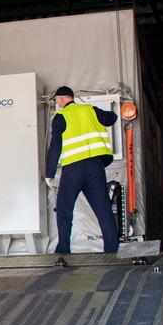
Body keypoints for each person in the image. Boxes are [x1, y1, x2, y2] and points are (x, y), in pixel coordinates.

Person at [44, 86, 119, 253]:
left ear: (63, 98)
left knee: (64, 210)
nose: (56, 102)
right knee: (103, 209)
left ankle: (63, 249)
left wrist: (49, 174)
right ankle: (112, 249)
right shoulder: (90, 109)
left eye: (56, 99)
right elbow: (111, 118)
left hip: (73, 169)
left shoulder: (60, 116)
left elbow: (55, 146)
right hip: (95, 167)